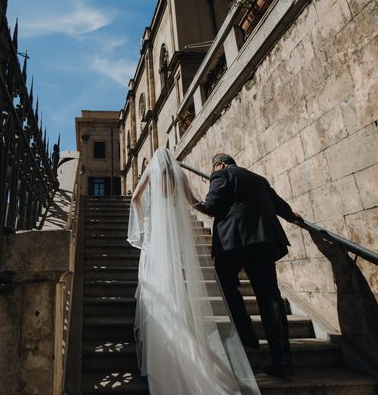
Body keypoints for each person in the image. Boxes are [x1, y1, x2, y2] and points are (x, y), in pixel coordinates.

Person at [128, 148, 259, 394]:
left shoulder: (150, 173)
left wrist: (145, 221)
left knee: (153, 284)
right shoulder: (179, 174)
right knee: (175, 281)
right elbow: (195, 202)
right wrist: (215, 208)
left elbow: (135, 197)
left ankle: (163, 340)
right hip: (173, 237)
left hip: (155, 238)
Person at [194, 153, 303, 379]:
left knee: (226, 285)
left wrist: (193, 201)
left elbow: (211, 206)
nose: (213, 173)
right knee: (270, 298)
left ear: (220, 165)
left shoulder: (221, 175)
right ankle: (282, 361)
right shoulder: (259, 179)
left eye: (213, 169)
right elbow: (280, 205)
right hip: (264, 242)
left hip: (233, 242)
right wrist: (293, 217)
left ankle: (246, 334)